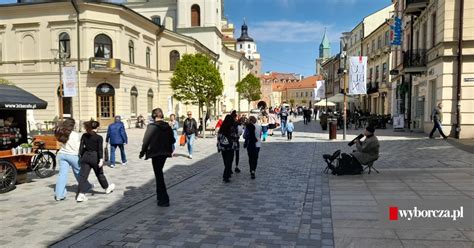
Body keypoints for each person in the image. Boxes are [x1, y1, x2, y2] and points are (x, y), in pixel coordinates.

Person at [140, 108, 175, 207]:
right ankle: (160, 197)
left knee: (159, 175)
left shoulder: (151, 127)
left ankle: (164, 199)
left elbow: (145, 141)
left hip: (155, 153)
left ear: (153, 116)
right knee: (159, 173)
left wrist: (142, 152)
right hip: (164, 153)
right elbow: (172, 140)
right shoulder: (167, 127)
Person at [53, 118, 92, 201]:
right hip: (73, 155)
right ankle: (86, 187)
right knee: (79, 173)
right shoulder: (74, 134)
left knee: (62, 175)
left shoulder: (61, 132)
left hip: (62, 155)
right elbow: (78, 148)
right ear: (73, 125)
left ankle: (59, 195)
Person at [77, 121, 115, 202]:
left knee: (83, 176)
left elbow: (81, 148)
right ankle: (106, 188)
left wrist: (81, 156)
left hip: (85, 156)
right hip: (95, 157)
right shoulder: (99, 137)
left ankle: (80, 194)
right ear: (97, 128)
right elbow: (99, 150)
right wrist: (101, 160)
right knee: (99, 174)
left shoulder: (84, 135)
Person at [217, 115, 239, 183]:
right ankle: (225, 176)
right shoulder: (232, 128)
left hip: (223, 147)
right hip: (230, 147)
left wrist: (218, 147)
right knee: (229, 161)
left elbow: (219, 137)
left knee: (225, 161)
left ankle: (228, 173)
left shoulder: (222, 127)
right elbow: (235, 137)